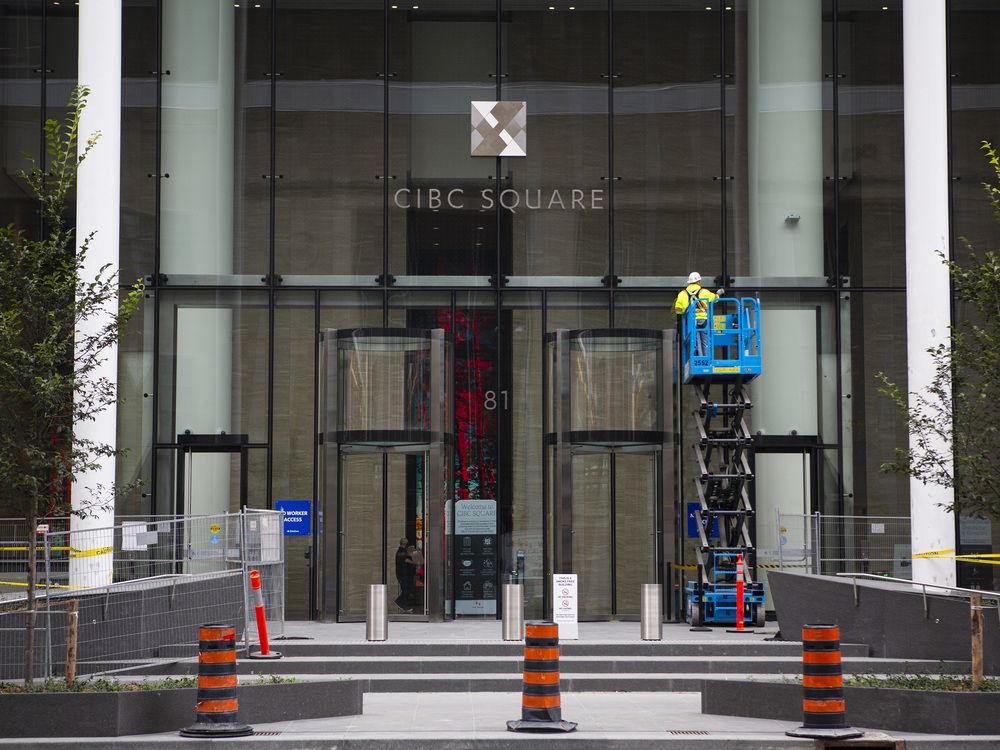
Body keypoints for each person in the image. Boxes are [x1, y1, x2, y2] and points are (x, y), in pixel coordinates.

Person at [673, 271, 724, 356]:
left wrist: (684, 312)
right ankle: (705, 361)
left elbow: (677, 310)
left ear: (689, 282)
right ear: (698, 281)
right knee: (705, 341)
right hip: (703, 320)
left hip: (691, 321)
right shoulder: (704, 292)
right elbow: (715, 299)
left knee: (695, 341)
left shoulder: (682, 294)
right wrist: (718, 294)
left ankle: (697, 359)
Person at [394, 537, 412, 611]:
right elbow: (407, 560)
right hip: (403, 575)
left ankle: (403, 606)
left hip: (403, 574)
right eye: (405, 541)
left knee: (407, 590)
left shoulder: (403, 551)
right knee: (406, 590)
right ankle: (399, 602)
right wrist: (416, 562)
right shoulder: (401, 552)